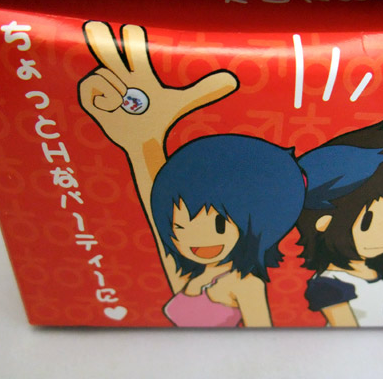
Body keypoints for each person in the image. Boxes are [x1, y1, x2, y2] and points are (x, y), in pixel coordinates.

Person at [78, 21, 304, 326]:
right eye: (180, 227)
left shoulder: (243, 283)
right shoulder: (193, 274)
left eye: (220, 225)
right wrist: (142, 144)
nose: (197, 238)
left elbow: (261, 334)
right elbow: (160, 210)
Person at [296, 121, 383, 327]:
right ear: (324, 221)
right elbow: (345, 328)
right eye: (368, 222)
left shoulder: (367, 269)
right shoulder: (328, 284)